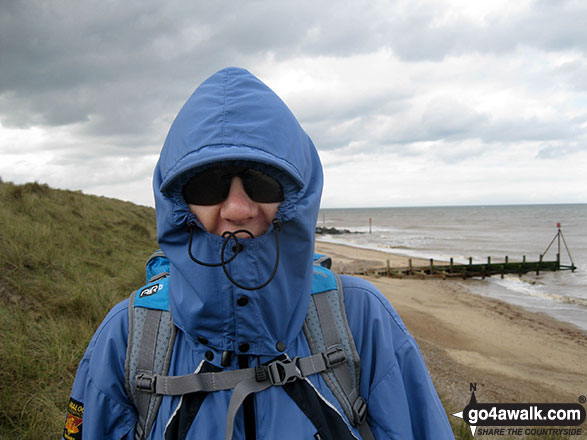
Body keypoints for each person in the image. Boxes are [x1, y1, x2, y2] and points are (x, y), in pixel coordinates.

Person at [64, 67, 454, 439]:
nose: (237, 209)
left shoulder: (361, 317)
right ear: (177, 202)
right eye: (207, 185)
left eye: (262, 182)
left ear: (297, 197)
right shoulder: (129, 335)